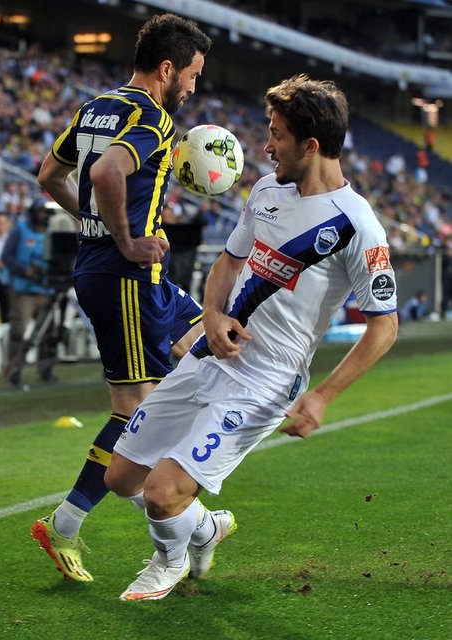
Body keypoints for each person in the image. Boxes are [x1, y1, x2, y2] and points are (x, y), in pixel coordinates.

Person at [103, 74, 399, 602]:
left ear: (311, 146)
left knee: (162, 493)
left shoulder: (357, 226)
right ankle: (205, 528)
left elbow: (385, 325)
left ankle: (169, 561)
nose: (266, 146)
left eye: (277, 135)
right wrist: (212, 314)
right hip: (209, 355)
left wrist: (323, 395)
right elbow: (229, 260)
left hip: (264, 382)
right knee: (121, 478)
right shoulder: (265, 191)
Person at [30, 13, 212, 582]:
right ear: (168, 68)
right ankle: (67, 524)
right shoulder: (153, 117)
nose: (194, 87)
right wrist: (126, 239)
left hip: (125, 274)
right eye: (193, 75)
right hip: (124, 276)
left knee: (211, 344)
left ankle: (195, 520)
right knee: (134, 412)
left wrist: (98, 227)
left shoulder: (97, 107)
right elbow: (108, 172)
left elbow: (50, 174)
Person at [2, 197, 58, 386]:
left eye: (46, 212)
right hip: (23, 288)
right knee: (19, 330)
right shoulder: (20, 229)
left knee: (48, 330)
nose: (44, 215)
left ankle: (46, 369)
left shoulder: (52, 231)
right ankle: (14, 369)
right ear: (34, 212)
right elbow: (6, 256)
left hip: (46, 287)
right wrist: (24, 270)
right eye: (41, 211)